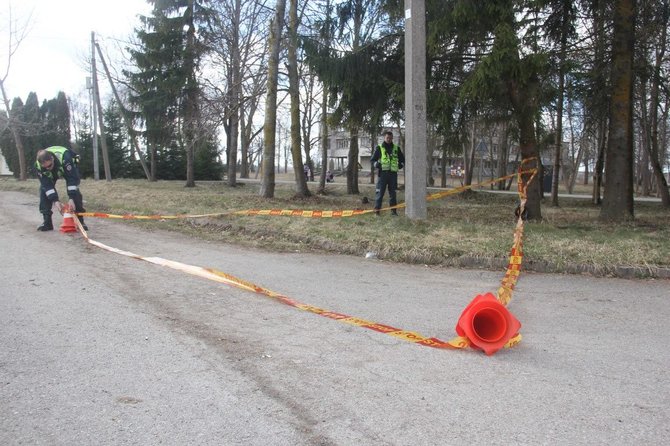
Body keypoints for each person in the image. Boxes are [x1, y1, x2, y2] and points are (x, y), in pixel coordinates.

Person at [35, 146, 88, 231]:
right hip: (53, 173)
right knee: (43, 190)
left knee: (75, 190)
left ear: (52, 159)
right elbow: (47, 185)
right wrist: (55, 201)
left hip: (67, 167)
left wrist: (71, 198)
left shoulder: (65, 158)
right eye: (45, 167)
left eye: (49, 165)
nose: (48, 168)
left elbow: (71, 180)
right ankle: (47, 222)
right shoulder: (38, 166)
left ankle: (80, 221)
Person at [370, 131, 405, 216]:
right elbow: (372, 160)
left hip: (393, 175)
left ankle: (393, 212)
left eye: (390, 138)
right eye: (387, 138)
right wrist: (377, 164)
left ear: (392, 138)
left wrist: (400, 165)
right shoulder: (379, 148)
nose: (389, 139)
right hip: (382, 174)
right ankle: (377, 212)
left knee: (393, 194)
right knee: (380, 193)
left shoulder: (397, 148)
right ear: (384, 138)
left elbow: (402, 160)